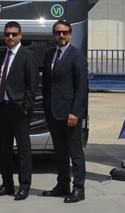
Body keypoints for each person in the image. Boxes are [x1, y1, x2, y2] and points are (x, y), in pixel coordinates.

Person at [0, 21, 38, 201]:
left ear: (20, 36)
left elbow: (32, 85)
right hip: (2, 109)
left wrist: (26, 107)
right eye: (7, 34)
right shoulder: (1, 55)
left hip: (19, 110)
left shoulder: (27, 56)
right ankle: (7, 184)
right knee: (5, 149)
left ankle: (24, 186)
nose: (10, 37)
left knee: (23, 150)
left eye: (14, 34)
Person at [41, 19, 88, 203]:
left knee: (75, 152)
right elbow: (47, 83)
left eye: (65, 32)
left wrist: (75, 112)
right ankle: (62, 185)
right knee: (60, 152)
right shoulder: (49, 55)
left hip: (70, 114)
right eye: (58, 32)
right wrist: (46, 106)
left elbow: (81, 87)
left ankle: (79, 188)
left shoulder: (77, 56)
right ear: (54, 35)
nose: (61, 35)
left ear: (70, 34)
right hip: (53, 112)